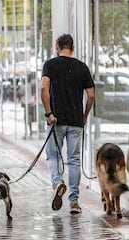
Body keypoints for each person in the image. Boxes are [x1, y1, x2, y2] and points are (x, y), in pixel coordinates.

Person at [40, 34, 95, 214]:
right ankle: (74, 202)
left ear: (57, 46)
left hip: (56, 121)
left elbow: (43, 88)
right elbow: (91, 95)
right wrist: (84, 115)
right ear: (73, 48)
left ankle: (57, 182)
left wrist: (49, 113)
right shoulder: (82, 67)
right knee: (74, 160)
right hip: (75, 121)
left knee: (53, 156)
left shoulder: (50, 65)